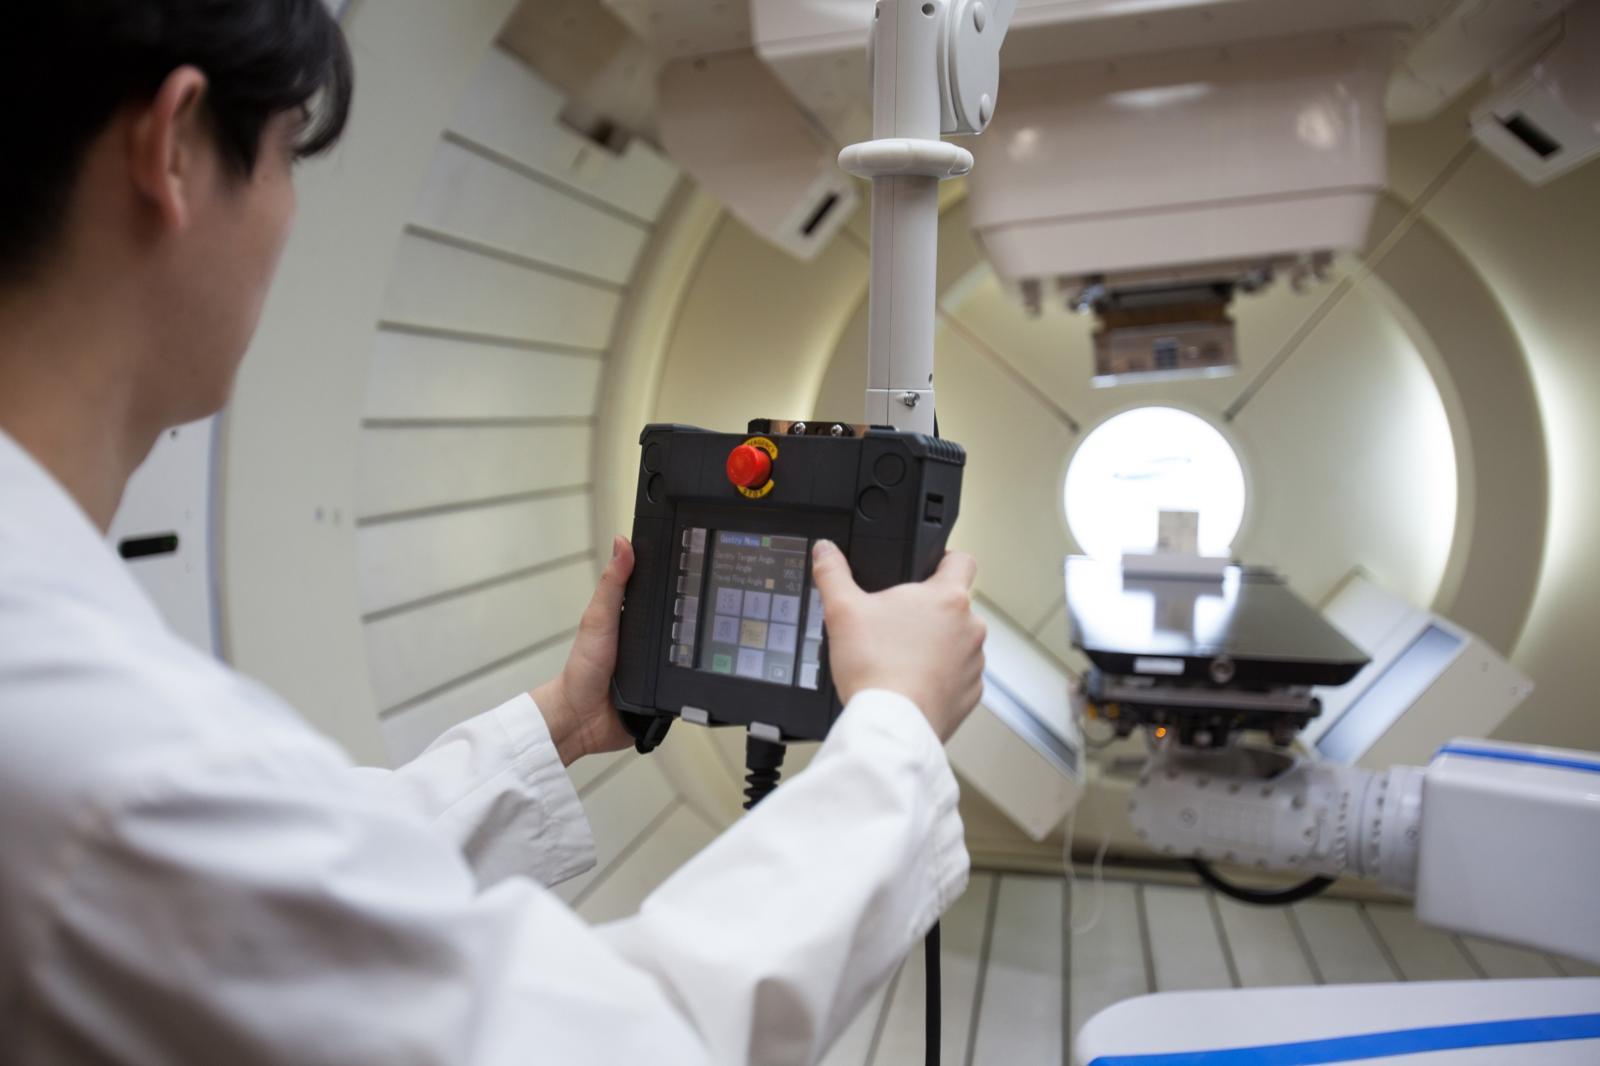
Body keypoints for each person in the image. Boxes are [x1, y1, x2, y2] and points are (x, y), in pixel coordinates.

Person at [0, 3, 988, 1064]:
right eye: (288, 154)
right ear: (177, 148)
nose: (288, 218)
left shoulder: (66, 696)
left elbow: (301, 886)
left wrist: (565, 720)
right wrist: (895, 726)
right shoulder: (97, 747)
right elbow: (610, 1046)